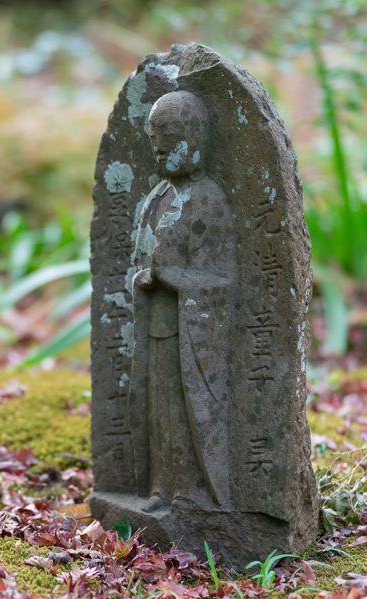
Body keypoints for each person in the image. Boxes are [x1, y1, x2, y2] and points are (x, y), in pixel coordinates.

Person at [128, 90, 237, 511]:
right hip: (157, 320)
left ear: (193, 141)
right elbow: (141, 259)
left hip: (192, 328)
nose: (158, 150)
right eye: (155, 140)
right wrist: (145, 277)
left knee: (185, 407)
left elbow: (223, 279)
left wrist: (175, 278)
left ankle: (190, 490)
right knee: (159, 408)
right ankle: (160, 487)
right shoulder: (154, 199)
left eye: (168, 140)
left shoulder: (206, 198)